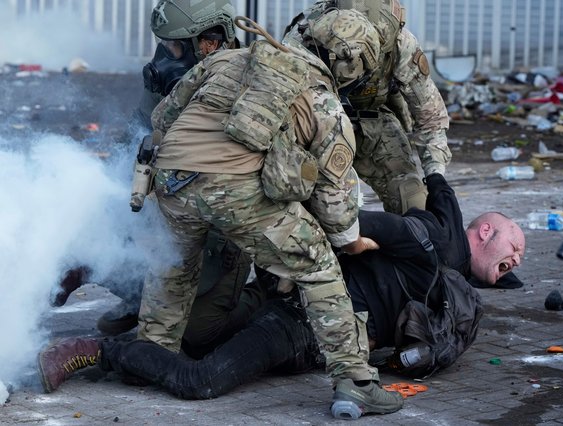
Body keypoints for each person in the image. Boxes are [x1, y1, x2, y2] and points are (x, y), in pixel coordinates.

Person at [96, 9, 399, 417]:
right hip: (234, 192)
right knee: (318, 267)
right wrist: (350, 240)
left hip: (170, 182)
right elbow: (335, 201)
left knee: (174, 267)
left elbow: (163, 117)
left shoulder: (229, 58)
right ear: (350, 64)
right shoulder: (327, 106)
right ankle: (356, 381)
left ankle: (149, 356)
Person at [38, 172, 525, 419]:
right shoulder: (424, 246)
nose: (519, 259)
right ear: (483, 232)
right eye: (514, 245)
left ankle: (110, 315)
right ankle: (93, 344)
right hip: (294, 320)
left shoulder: (456, 298)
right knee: (201, 379)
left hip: (300, 336)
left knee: (190, 335)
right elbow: (349, 230)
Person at [50, 0, 257, 341]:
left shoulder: (255, 83)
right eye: (164, 43)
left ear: (211, 41)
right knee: (96, 231)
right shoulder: (168, 77)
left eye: (175, 46)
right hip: (173, 204)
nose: (165, 56)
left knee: (197, 336)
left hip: (224, 222)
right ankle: (140, 297)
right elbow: (136, 136)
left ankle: (269, 301)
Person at [283, 0, 452, 214]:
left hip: (371, 122)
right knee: (296, 199)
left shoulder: (400, 44)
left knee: (412, 201)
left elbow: (431, 117)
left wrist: (436, 176)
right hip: (314, 127)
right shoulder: (308, 36)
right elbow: (282, 105)